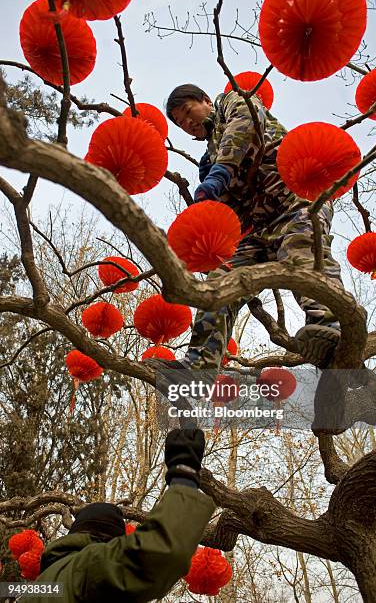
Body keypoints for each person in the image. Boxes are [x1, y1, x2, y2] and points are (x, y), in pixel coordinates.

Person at [163, 84, 344, 371]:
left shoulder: (234, 101)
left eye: (188, 111)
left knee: (303, 254)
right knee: (219, 283)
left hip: (294, 201)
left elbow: (245, 124)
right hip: (257, 230)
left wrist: (220, 173)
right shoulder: (210, 157)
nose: (188, 123)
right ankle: (200, 366)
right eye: (181, 123)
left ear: (206, 100)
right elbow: (232, 210)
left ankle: (328, 326)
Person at [20, 429, 215, 603]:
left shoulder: (41, 587)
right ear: (111, 542)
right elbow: (162, 552)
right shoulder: (86, 569)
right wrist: (184, 474)